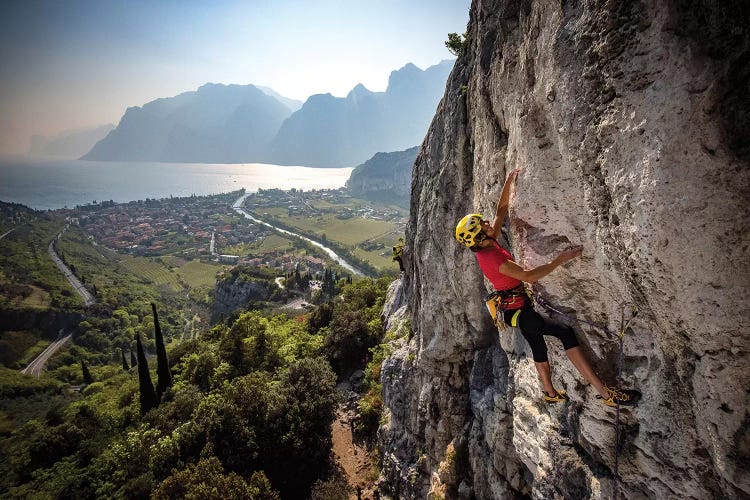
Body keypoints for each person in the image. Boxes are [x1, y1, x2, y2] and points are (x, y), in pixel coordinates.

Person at [455, 169, 637, 407]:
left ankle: (549, 393)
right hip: (521, 312)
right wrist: (560, 260)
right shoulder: (492, 259)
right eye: (483, 224)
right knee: (565, 334)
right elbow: (530, 275)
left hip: (514, 312)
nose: (488, 223)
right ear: (478, 236)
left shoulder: (487, 243)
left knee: (539, 349)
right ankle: (606, 394)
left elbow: (500, 213)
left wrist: (508, 183)